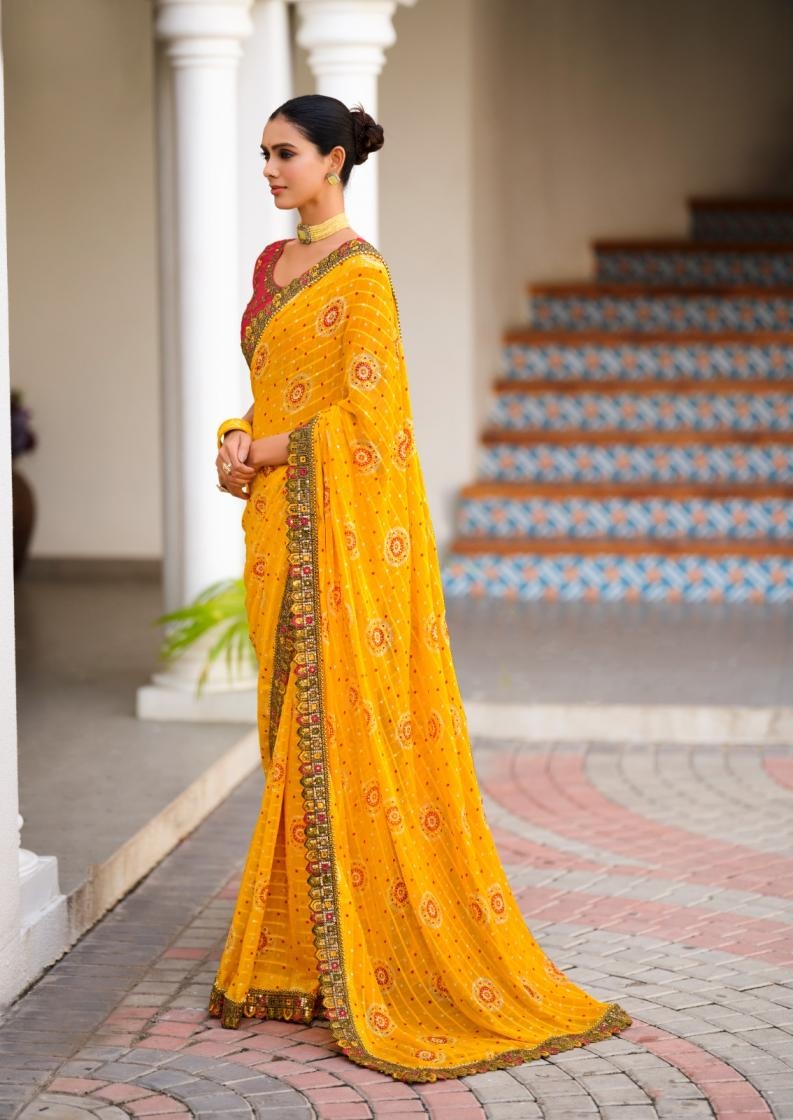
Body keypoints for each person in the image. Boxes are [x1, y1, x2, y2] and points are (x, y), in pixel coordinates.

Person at [208, 93, 631, 1082]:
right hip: (276, 535)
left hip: (338, 544)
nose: (269, 169)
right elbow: (275, 397)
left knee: (333, 734)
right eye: (263, 153)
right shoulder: (271, 267)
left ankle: (362, 949)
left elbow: (373, 426)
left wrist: (264, 448)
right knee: (287, 736)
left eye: (285, 154)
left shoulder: (362, 277)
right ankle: (300, 955)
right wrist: (233, 439)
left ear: (334, 161)